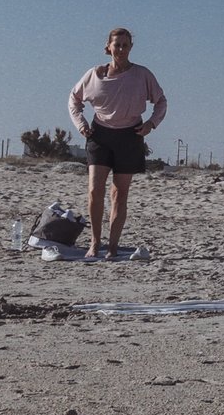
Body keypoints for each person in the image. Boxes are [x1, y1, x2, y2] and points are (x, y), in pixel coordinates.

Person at [67, 28, 169, 257]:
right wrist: (81, 124)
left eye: (125, 45)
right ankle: (95, 242)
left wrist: (151, 124)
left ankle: (112, 245)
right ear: (108, 47)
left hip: (130, 135)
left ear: (131, 47)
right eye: (117, 45)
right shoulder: (95, 74)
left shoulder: (142, 75)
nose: (121, 49)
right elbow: (73, 100)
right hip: (100, 135)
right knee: (95, 190)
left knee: (119, 193)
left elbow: (161, 101)